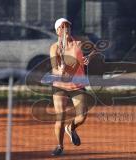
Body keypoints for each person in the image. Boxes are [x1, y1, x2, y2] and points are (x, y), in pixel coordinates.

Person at [49, 18, 93, 156]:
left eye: (67, 26)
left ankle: (71, 128)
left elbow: (94, 49)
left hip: (77, 85)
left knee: (82, 117)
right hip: (60, 86)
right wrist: (59, 71)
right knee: (60, 117)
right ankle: (59, 146)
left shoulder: (79, 44)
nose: (65, 29)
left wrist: (89, 57)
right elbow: (54, 70)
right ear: (57, 31)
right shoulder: (54, 48)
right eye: (62, 27)